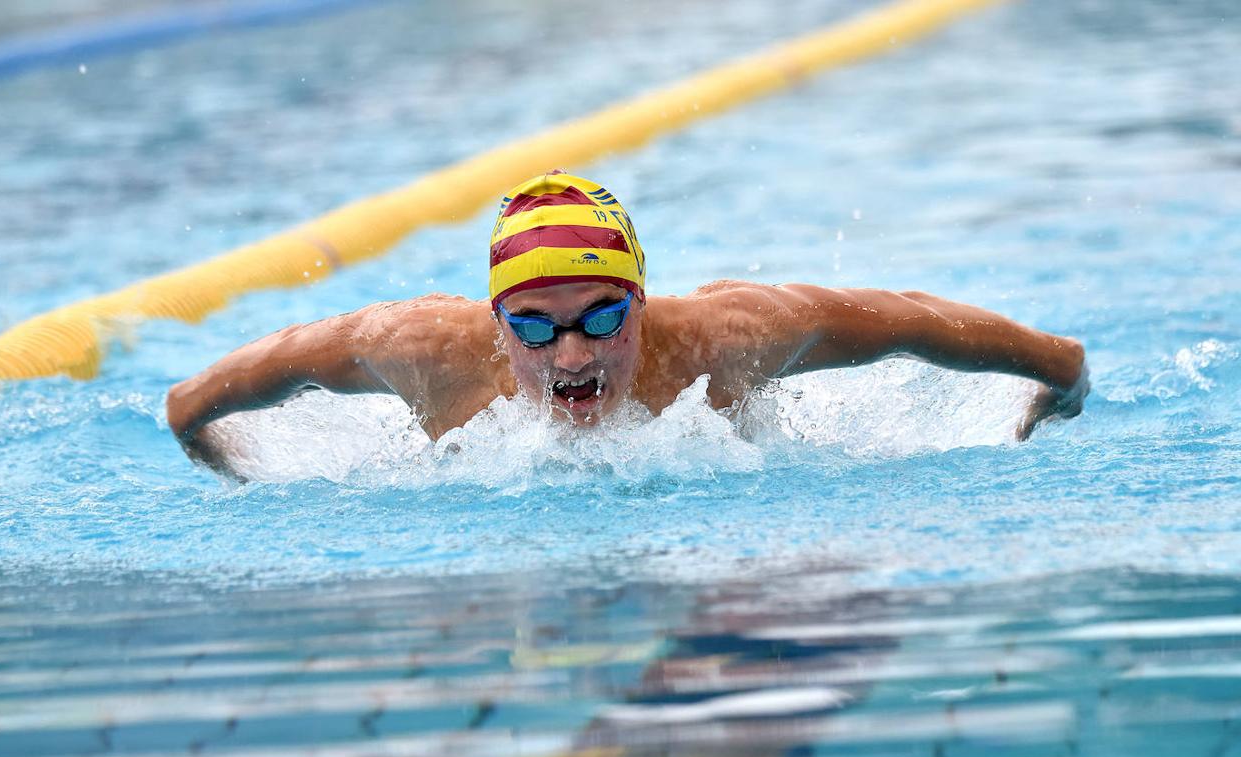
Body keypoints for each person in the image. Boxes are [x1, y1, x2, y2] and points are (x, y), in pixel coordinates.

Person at [167, 172, 1088, 477]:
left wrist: (1059, 379)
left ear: (641, 303)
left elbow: (911, 325)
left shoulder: (730, 336)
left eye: (603, 316)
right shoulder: (423, 353)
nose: (572, 356)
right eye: (535, 329)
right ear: (497, 323)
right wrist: (223, 455)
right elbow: (199, 399)